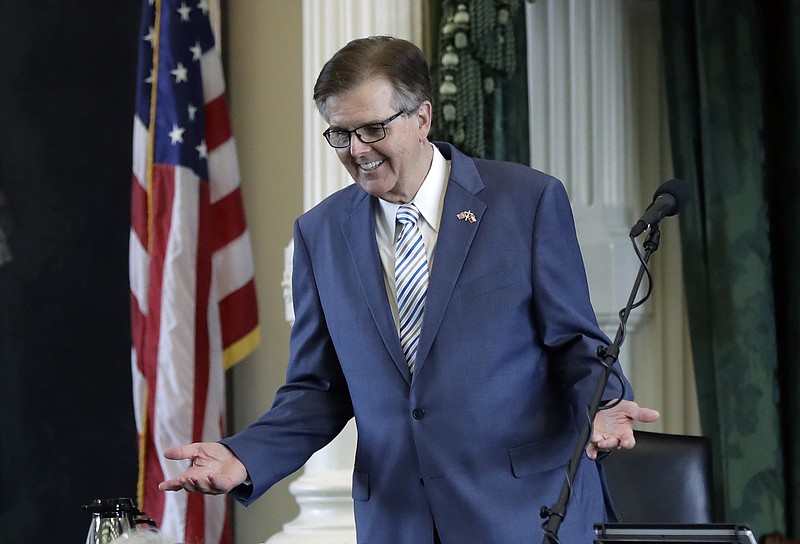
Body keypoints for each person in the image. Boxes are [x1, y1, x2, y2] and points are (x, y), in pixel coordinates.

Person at [159, 35, 661, 543]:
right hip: (399, 523)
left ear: (422, 118)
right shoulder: (321, 233)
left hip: (523, 515)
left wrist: (605, 402)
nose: (357, 150)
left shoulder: (526, 202)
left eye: (373, 128)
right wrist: (243, 456)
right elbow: (319, 390)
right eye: (340, 134)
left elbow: (576, 344)